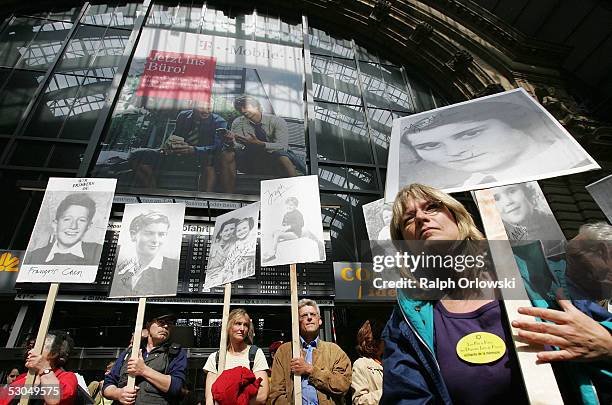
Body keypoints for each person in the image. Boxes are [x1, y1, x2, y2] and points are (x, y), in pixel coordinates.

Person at [381, 183, 527, 405]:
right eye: (408, 219)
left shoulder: (528, 274)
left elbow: (593, 331)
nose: (420, 217)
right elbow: (407, 397)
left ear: (457, 216)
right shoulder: (405, 319)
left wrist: (601, 343)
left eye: (431, 207)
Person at [398, 99, 590, 189]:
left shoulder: (575, 159)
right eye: (429, 146)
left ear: (512, 121)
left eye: (471, 133)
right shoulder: (470, 184)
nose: (455, 152)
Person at [129, 99, 233, 192]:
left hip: (200, 158)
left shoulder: (219, 121)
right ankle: (152, 192)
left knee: (209, 161)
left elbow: (217, 147)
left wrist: (193, 149)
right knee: (136, 155)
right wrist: (168, 146)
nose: (206, 111)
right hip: (176, 155)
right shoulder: (183, 115)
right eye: (202, 107)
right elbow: (175, 135)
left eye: (209, 107)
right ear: (192, 105)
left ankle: (201, 199)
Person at [269, 299, 351, 405]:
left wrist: (310, 370)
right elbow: (276, 393)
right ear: (297, 322)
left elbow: (343, 385)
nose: (309, 318)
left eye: (312, 314)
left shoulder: (334, 351)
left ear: (319, 320)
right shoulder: (284, 352)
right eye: (303, 316)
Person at [103, 312, 187, 405]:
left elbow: (176, 387)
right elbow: (108, 383)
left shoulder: (175, 353)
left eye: (169, 323)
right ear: (148, 324)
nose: (166, 326)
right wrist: (118, 394)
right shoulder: (130, 351)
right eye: (161, 322)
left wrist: (143, 370)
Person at [224, 95, 298, 189]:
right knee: (228, 154)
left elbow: (282, 145)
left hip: (272, 160)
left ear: (256, 106)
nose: (242, 111)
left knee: (283, 156)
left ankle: (296, 190)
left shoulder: (277, 121)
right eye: (239, 109)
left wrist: (260, 144)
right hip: (249, 159)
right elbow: (237, 146)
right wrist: (231, 142)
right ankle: (228, 193)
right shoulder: (238, 122)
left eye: (245, 107)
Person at [203, 308, 269, 405]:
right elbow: (210, 400)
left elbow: (262, 395)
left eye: (245, 325)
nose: (242, 329)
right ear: (229, 326)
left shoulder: (255, 354)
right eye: (238, 324)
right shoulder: (215, 358)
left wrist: (232, 400)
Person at [110, 211, 178, 297]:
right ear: (133, 234)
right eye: (149, 233)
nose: (156, 240)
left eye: (161, 234)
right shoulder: (119, 267)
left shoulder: (174, 268)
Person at [1, 331, 78, 405]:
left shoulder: (67, 377)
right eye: (31, 347)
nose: (30, 351)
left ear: (54, 354)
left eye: (39, 347)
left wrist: (44, 368)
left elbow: (54, 399)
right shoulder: (22, 378)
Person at [24, 193, 103, 266]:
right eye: (67, 219)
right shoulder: (34, 257)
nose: (73, 226)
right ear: (55, 224)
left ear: (88, 226)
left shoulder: (98, 252)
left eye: (81, 220)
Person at [492, 183, 564, 256]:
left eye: (512, 191)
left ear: (526, 191)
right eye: (496, 198)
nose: (508, 202)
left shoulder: (556, 224)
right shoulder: (496, 243)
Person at [263, 197, 325, 263]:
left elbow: (301, 224)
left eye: (291, 205)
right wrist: (282, 227)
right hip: (288, 233)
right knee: (274, 233)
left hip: (295, 234)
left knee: (277, 235)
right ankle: (270, 250)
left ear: (295, 206)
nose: (289, 206)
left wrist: (289, 226)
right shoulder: (286, 214)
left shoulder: (298, 213)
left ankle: (273, 253)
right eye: (288, 204)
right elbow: (283, 224)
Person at [351, 320, 384, 405]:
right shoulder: (361, 365)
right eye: (372, 341)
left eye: (380, 339)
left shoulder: (392, 362)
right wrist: (388, 393)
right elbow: (359, 400)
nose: (376, 344)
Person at [204, 218, 239, 288]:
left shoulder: (236, 246)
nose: (229, 232)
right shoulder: (213, 246)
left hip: (227, 279)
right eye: (226, 230)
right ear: (220, 233)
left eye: (232, 229)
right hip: (212, 281)